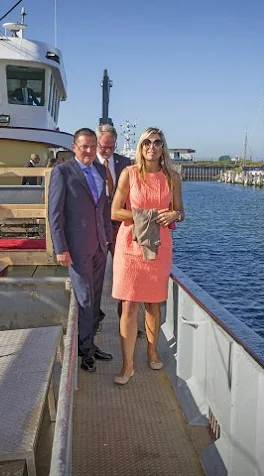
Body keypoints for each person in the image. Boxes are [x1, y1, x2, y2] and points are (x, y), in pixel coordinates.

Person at [110, 127, 184, 385]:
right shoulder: (128, 175)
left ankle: (152, 351)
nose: (151, 147)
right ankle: (127, 365)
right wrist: (146, 215)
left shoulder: (173, 177)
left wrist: (174, 215)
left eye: (157, 142)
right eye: (146, 143)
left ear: (163, 147)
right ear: (141, 148)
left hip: (160, 246)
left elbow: (180, 211)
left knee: (153, 304)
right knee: (129, 305)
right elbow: (115, 212)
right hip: (130, 245)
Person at [48, 128, 113, 373]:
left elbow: (103, 209)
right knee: (84, 298)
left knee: (95, 298)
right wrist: (60, 247)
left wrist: (107, 239)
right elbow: (55, 213)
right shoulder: (62, 172)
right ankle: (84, 351)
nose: (89, 151)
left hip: (99, 246)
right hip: (76, 248)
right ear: (74, 147)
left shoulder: (100, 170)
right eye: (84, 146)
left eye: (92, 146)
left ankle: (90, 342)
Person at [94, 124, 146, 337]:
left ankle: (127, 321)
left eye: (110, 147)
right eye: (102, 147)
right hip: (96, 228)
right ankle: (93, 322)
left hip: (120, 229)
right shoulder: (87, 165)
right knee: (94, 278)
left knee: (126, 277)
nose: (106, 151)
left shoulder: (125, 164)